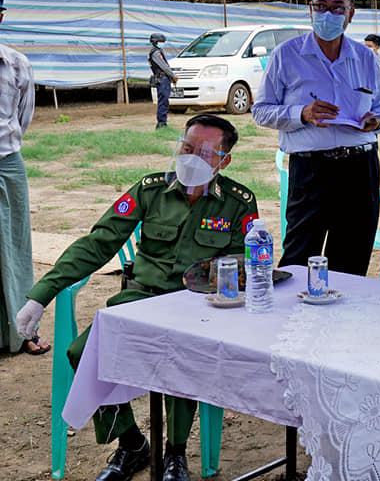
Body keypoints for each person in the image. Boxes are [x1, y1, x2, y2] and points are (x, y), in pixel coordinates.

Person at [15, 114, 258, 481]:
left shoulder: (238, 202)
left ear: (224, 161)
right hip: (138, 303)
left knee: (184, 352)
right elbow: (98, 244)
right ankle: (131, 443)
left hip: (197, 306)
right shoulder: (150, 190)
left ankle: (175, 454)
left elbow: (247, 262)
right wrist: (40, 295)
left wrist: (210, 279)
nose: (191, 157)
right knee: (82, 351)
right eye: (187, 147)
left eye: (206, 153)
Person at [253, 0, 380, 274]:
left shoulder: (365, 58)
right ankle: (293, 321)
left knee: (352, 258)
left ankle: (342, 321)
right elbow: (261, 111)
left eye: (337, 8)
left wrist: (375, 123)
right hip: (311, 170)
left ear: (350, 15)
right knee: (298, 256)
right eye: (320, 6)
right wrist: (301, 113)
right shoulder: (287, 55)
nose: (327, 14)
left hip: (359, 169)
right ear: (310, 9)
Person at [0, 0, 45, 356]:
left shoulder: (16, 64)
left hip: (8, 161)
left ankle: (23, 332)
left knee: (16, 246)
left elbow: (23, 119)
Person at [148, 33, 178, 129]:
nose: (163, 43)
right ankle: (161, 123)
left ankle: (162, 122)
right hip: (162, 79)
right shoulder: (156, 53)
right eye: (161, 42)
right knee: (163, 101)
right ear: (155, 42)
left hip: (163, 79)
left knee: (164, 101)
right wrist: (173, 76)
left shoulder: (158, 51)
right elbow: (164, 67)